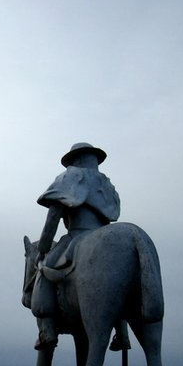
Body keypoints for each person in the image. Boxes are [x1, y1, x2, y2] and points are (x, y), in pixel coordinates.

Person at [29, 142, 121, 350]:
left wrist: (43, 250)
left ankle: (47, 331)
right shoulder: (106, 184)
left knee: (44, 271)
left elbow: (53, 219)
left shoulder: (70, 177)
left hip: (77, 235)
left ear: (73, 160)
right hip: (103, 234)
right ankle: (121, 332)